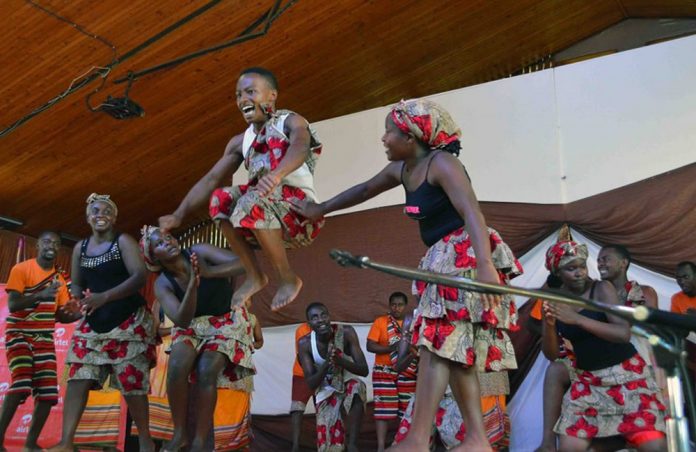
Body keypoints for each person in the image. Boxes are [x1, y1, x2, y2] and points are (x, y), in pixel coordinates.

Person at [292, 98, 522, 451]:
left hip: (465, 256)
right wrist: (320, 209)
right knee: (451, 348)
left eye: (389, 131)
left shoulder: (443, 164)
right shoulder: (402, 169)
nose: (383, 138)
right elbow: (364, 190)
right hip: (439, 260)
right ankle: (476, 438)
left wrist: (485, 265)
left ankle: (418, 437)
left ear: (411, 136)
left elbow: (472, 212)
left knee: (433, 342)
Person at [159, 67, 324, 311]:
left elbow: (300, 146)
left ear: (272, 96)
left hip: (300, 215)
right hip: (259, 214)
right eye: (238, 95)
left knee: (252, 198)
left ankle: (287, 278)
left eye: (250, 92)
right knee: (220, 198)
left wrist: (277, 175)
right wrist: (179, 214)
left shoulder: (290, 121)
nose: (242, 99)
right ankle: (255, 275)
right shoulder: (241, 141)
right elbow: (211, 178)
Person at [48, 194, 157, 452]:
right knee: (78, 377)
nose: (101, 214)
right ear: (87, 217)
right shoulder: (80, 248)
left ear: (114, 217)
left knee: (132, 384)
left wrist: (105, 296)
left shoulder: (123, 241)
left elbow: (140, 277)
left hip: (129, 320)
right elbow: (77, 283)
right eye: (95, 210)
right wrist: (75, 300)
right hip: (94, 320)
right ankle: (66, 442)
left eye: (107, 210)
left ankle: (144, 440)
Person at [541, 240, 666, 452]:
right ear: (558, 273)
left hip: (627, 378)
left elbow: (622, 333)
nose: (580, 273)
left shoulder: (601, 288)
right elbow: (552, 354)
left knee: (654, 446)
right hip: (589, 383)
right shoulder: (555, 299)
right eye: (571, 269)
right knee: (569, 448)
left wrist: (578, 319)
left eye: (582, 266)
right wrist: (549, 326)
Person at [140, 226, 255, 451]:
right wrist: (192, 285)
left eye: (169, 237)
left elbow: (245, 263)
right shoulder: (162, 284)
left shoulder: (200, 251)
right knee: (176, 367)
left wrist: (210, 273)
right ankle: (180, 433)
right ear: (154, 257)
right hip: (192, 324)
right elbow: (182, 320)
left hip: (225, 320)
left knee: (206, 370)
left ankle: (200, 440)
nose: (169, 242)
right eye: (160, 244)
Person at [0, 231, 80, 452]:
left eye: (56, 242)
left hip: (44, 337)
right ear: (38, 245)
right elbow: (14, 304)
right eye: (46, 241)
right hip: (19, 334)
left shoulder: (60, 279)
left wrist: (76, 313)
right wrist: (40, 295)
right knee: (21, 382)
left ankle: (30, 444)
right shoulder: (22, 269)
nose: (51, 245)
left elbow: (61, 315)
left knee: (47, 394)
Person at [297, 302, 368, 452]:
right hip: (325, 390)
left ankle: (353, 445)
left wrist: (340, 361)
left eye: (324, 315)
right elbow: (311, 383)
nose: (321, 320)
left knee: (357, 386)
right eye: (315, 317)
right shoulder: (305, 344)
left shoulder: (346, 332)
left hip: (347, 383)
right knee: (329, 447)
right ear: (309, 323)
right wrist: (327, 363)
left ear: (329, 317)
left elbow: (364, 370)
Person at [366, 291, 417, 452]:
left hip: (408, 372)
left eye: (400, 304)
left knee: (407, 408)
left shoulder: (412, 323)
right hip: (384, 371)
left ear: (405, 306)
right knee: (383, 410)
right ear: (389, 306)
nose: (396, 308)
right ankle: (381, 447)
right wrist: (391, 348)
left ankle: (403, 444)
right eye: (393, 304)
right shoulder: (381, 322)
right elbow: (370, 345)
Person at [670, 261, 696, 382]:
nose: (682, 281)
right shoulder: (677, 298)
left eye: (686, 277)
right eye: (678, 278)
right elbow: (675, 327)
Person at [290, 322, 313, 452]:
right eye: (314, 316)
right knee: (297, 409)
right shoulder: (302, 329)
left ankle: (326, 443)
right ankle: (295, 446)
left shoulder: (329, 329)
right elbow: (302, 356)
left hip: (323, 375)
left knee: (324, 409)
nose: (319, 319)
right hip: (302, 374)